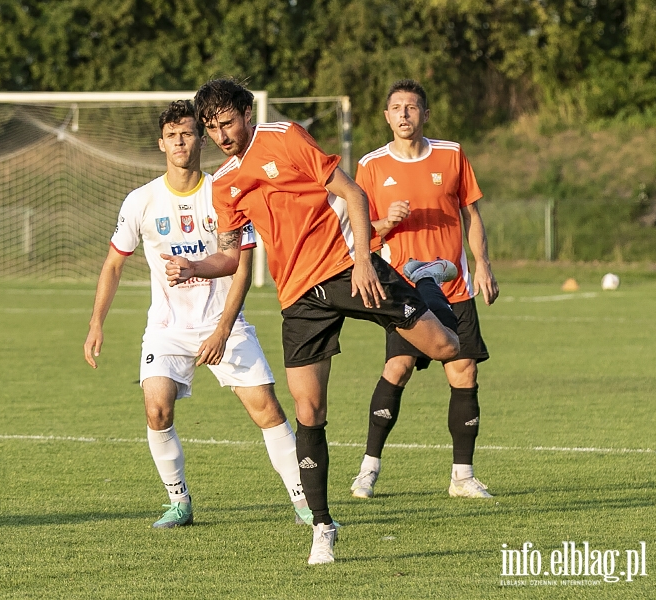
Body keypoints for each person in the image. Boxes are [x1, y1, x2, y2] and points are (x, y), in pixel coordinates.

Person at [163, 79, 460, 565]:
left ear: (246, 113)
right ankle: (323, 525)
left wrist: (365, 260)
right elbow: (230, 256)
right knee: (308, 408)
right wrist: (196, 267)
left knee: (446, 348)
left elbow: (354, 193)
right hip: (299, 297)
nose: (221, 135)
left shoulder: (285, 137)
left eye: (227, 123)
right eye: (212, 128)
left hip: (347, 267)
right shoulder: (223, 185)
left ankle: (424, 280)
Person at [83, 100, 311, 531]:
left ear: (200, 139)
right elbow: (113, 264)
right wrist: (97, 322)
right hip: (168, 330)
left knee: (266, 409)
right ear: (161, 143)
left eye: (187, 133)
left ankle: (303, 500)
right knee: (157, 410)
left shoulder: (226, 190)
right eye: (172, 135)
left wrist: (224, 328)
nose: (180, 142)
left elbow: (241, 265)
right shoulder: (142, 201)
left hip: (223, 322)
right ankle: (179, 503)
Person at [350, 79, 499, 501]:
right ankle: (368, 470)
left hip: (454, 286)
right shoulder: (371, 165)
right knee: (397, 369)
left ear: (425, 114)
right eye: (396, 107)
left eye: (411, 107)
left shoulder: (452, 154)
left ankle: (462, 477)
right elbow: (362, 234)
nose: (403, 114)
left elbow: (472, 215)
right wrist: (386, 222)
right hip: (405, 290)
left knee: (464, 372)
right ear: (386, 116)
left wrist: (484, 264)